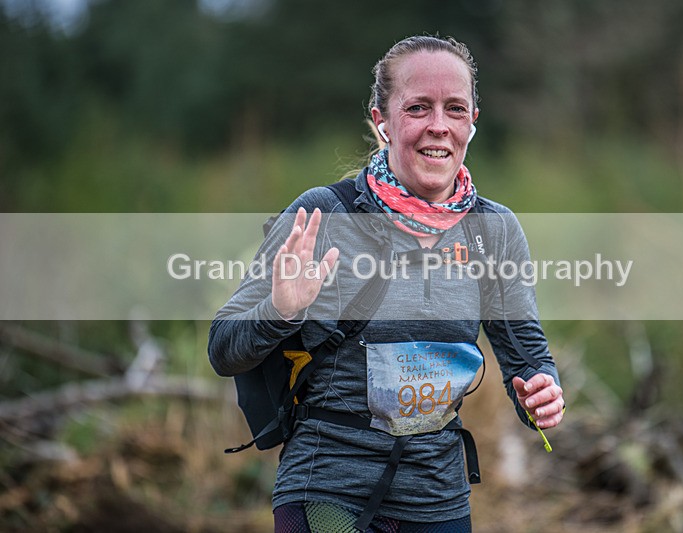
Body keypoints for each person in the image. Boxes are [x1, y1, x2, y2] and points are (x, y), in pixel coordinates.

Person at [208, 35, 564, 533]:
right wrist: (280, 310)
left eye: (454, 109)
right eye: (418, 107)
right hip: (328, 488)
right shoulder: (326, 213)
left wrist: (542, 395)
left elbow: (527, 361)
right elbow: (223, 349)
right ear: (382, 122)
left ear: (472, 122)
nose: (438, 125)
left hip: (438, 498)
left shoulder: (494, 230)